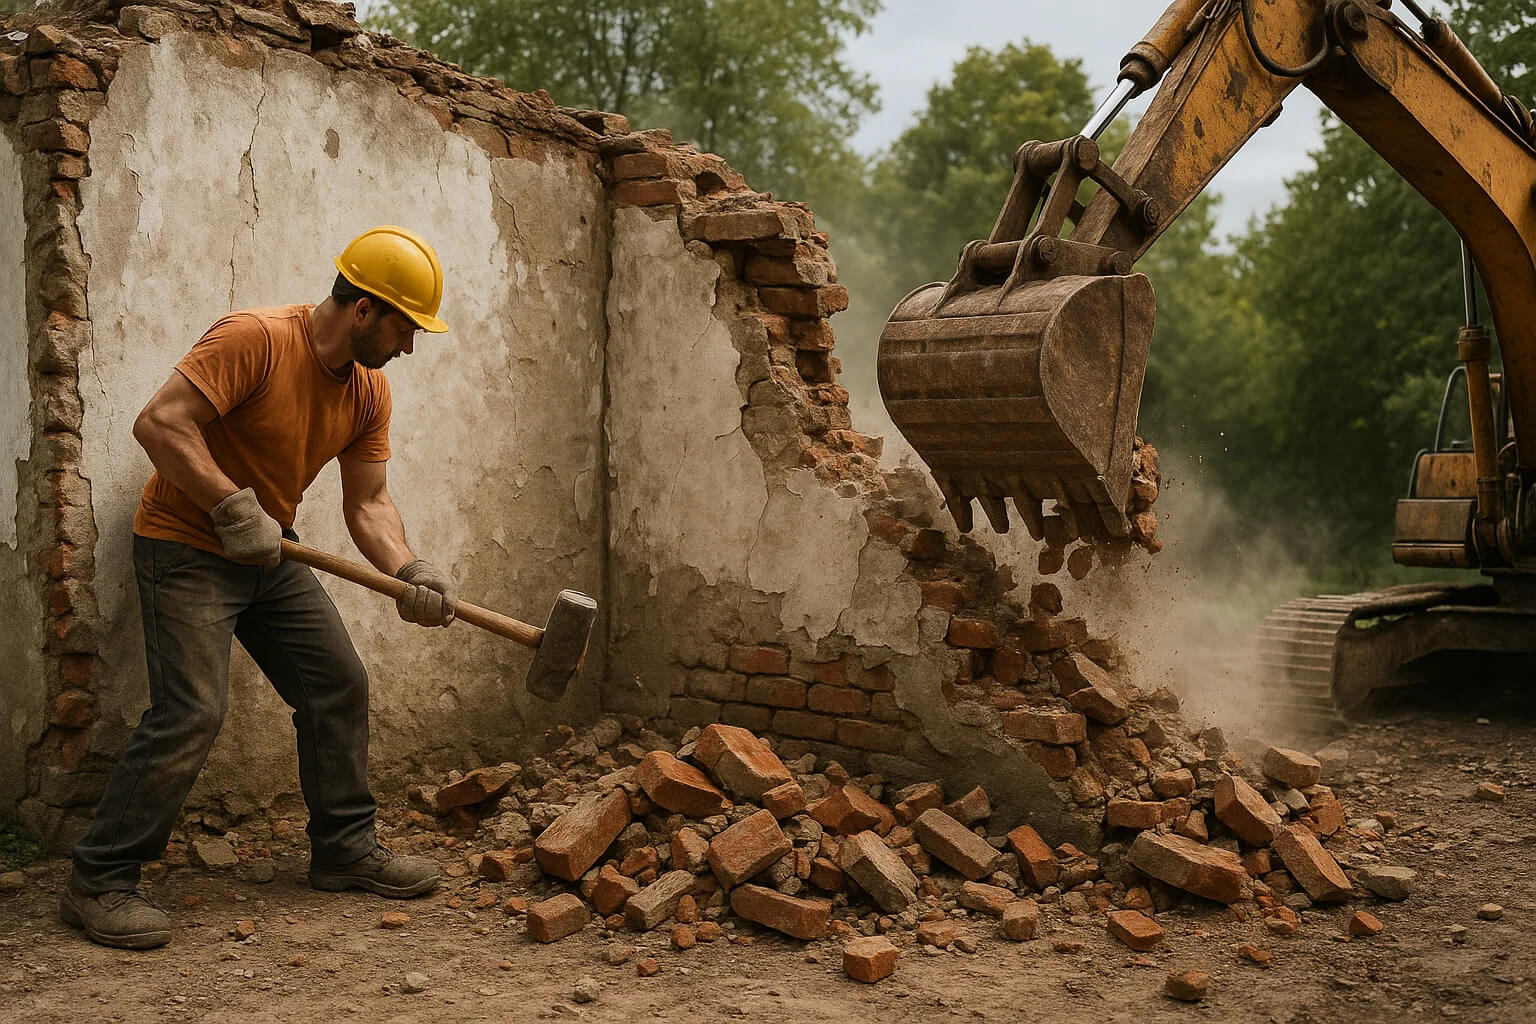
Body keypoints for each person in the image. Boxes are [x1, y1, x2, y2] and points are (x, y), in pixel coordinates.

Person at [61, 226, 457, 949]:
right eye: (406, 327)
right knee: (192, 712)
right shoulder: (256, 340)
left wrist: (408, 571)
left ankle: (343, 849)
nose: (409, 348)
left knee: (338, 682)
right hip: (184, 546)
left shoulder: (369, 391)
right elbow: (159, 423)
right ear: (364, 309)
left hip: (269, 555)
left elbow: (367, 503)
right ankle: (100, 881)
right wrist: (229, 504)